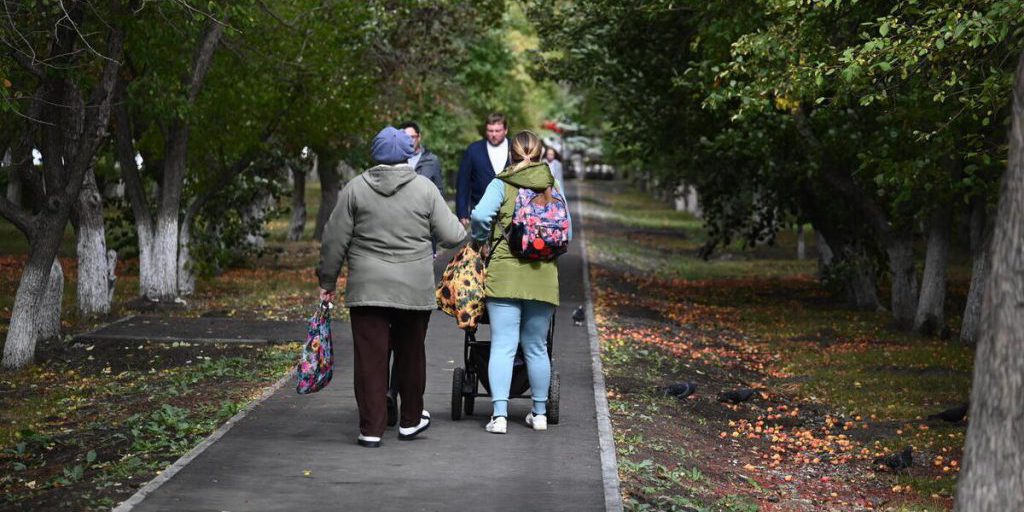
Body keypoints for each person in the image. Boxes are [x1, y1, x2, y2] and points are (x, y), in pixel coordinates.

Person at [317, 126, 465, 448]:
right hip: (413, 288)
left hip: (368, 289)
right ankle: (411, 420)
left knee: (370, 359)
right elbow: (453, 234)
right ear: (408, 154)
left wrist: (327, 282)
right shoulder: (425, 189)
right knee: (411, 355)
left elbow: (333, 239)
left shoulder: (355, 189)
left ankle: (371, 429)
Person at [469, 130, 572, 434]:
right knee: (537, 347)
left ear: (510, 154)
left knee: (503, 344)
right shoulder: (551, 186)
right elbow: (568, 233)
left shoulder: (501, 183)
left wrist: (481, 241)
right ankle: (538, 414)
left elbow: (479, 216)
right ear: (540, 155)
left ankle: (499, 416)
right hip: (542, 277)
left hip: (504, 273)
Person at [457, 112, 510, 227]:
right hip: (480, 213)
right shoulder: (474, 150)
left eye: (497, 131)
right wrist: (462, 212)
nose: (493, 134)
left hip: (510, 214)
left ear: (505, 130)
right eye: (490, 131)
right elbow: (463, 183)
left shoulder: (514, 149)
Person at [399, 121, 444, 196]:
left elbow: (439, 191)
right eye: (405, 137)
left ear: (419, 137)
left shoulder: (432, 160)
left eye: (412, 137)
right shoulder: (395, 160)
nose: (409, 140)